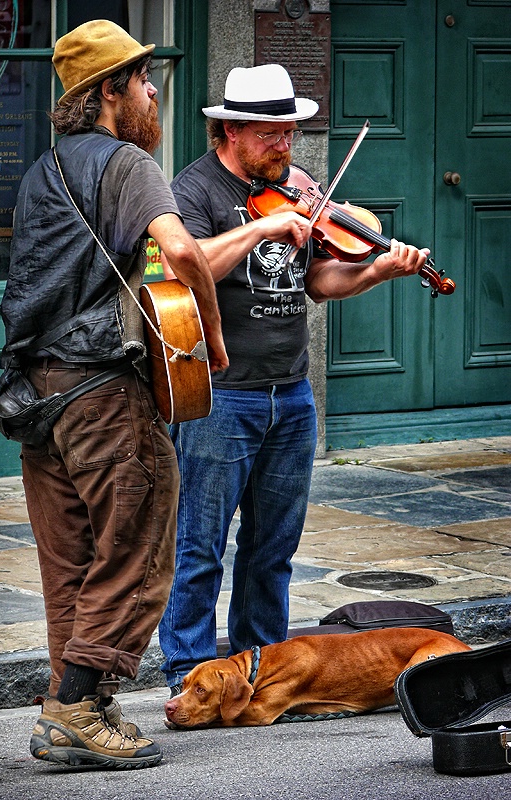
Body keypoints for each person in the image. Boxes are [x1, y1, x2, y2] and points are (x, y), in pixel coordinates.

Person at [0, 20, 227, 770]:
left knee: (71, 561)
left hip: (36, 393)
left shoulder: (43, 170)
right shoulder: (127, 162)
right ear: (109, 92)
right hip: (100, 389)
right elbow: (186, 251)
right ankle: (76, 708)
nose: (155, 93)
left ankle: (75, 706)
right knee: (137, 542)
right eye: (144, 80)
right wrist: (213, 342)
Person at [158, 64, 429, 695]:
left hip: (292, 392)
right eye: (272, 135)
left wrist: (377, 273)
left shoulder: (297, 188)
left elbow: (317, 282)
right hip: (221, 394)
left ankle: (260, 668)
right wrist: (262, 227)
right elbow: (187, 264)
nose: (286, 147)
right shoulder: (193, 192)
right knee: (199, 547)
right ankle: (188, 676)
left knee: (271, 548)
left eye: (290, 133)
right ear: (230, 130)